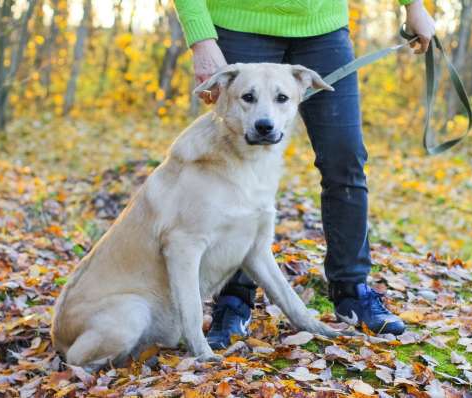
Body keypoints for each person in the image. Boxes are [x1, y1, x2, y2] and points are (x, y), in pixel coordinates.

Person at [173, 0, 435, 349]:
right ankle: (234, 301)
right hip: (238, 24)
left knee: (346, 159)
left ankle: (351, 289)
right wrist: (201, 39)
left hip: (322, 29)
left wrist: (414, 5)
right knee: (233, 166)